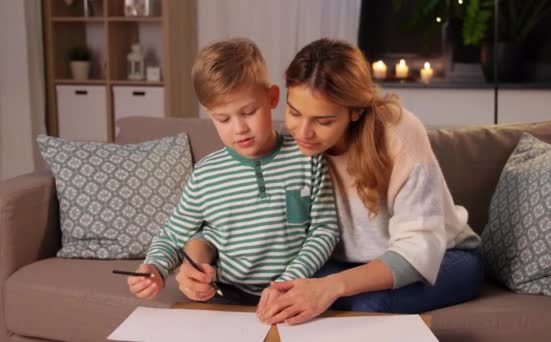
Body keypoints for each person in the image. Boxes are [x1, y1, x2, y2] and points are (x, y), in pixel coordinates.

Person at [252, 38, 484, 324]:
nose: (304, 132)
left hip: (444, 257)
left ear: (356, 111)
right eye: (294, 113)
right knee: (278, 295)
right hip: (347, 265)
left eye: (323, 121)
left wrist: (332, 286)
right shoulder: (291, 146)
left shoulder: (399, 133)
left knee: (366, 304)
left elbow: (419, 249)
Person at [126, 38, 339, 303]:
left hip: (296, 286)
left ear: (272, 98)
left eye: (249, 112)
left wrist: (288, 281)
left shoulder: (307, 158)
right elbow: (171, 235)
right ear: (209, 114)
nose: (239, 129)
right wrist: (154, 267)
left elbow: (324, 230)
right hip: (227, 291)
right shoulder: (205, 176)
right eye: (223, 118)